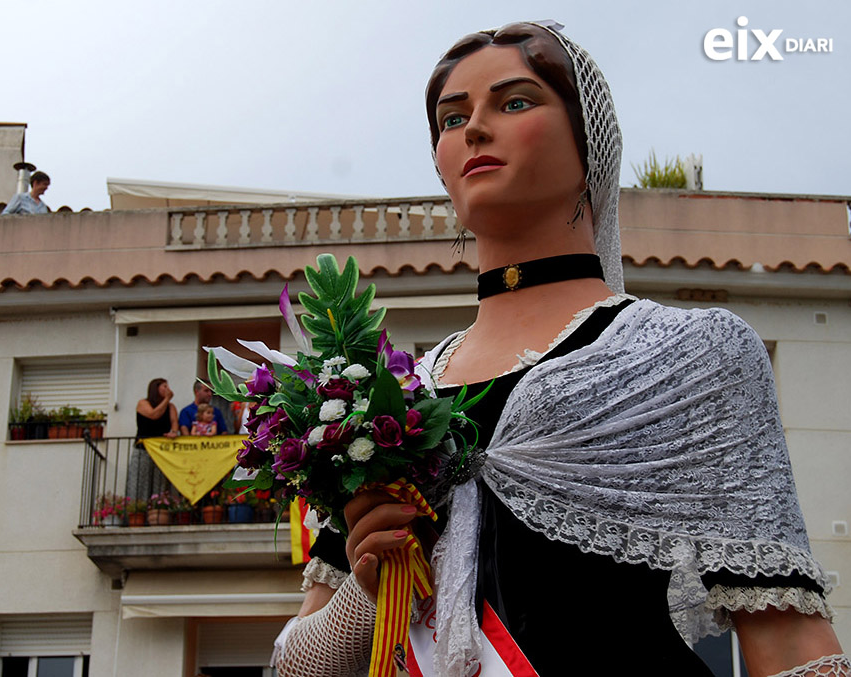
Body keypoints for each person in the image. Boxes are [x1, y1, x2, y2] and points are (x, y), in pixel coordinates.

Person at [273, 21, 847, 677]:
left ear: (589, 141)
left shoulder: (690, 357)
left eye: (514, 102)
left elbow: (789, 638)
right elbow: (295, 665)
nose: (475, 129)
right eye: (452, 116)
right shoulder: (383, 409)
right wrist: (366, 595)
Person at [126, 378, 179, 501]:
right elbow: (153, 415)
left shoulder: (170, 407)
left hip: (161, 451)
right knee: (139, 481)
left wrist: (174, 432)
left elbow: (174, 421)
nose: (167, 389)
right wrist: (167, 399)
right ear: (156, 388)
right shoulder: (143, 403)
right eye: (164, 386)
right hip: (143, 449)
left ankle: (157, 508)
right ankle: (137, 508)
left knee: (159, 483)